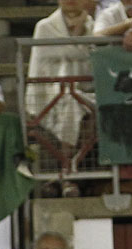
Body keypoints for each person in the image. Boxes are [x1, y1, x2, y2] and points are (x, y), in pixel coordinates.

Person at [26, 0, 95, 199]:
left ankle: (65, 174)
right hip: (47, 93)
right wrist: (80, 29)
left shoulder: (94, 26)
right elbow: (69, 51)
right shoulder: (45, 26)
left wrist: (84, 27)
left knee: (85, 105)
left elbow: (94, 59)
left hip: (85, 90)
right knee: (70, 103)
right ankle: (69, 176)